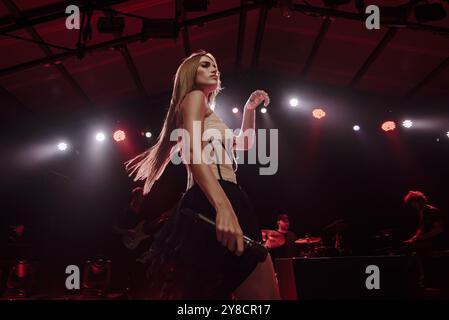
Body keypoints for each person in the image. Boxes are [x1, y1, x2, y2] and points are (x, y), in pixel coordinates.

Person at [125, 50, 279, 299]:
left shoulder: (207, 111)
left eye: (216, 65)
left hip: (223, 195)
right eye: (205, 65)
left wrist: (248, 109)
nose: (214, 69)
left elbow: (244, 143)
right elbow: (192, 151)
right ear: (190, 74)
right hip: (215, 196)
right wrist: (223, 206)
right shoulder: (194, 97)